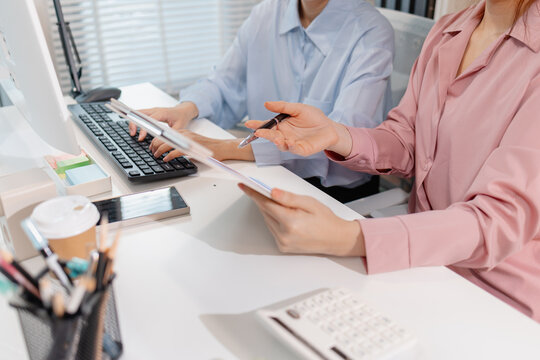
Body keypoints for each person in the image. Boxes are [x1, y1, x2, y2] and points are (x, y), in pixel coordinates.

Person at [239, 0, 540, 322]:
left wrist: (351, 237)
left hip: (496, 297)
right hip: (419, 267)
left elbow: (499, 220)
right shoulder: (448, 31)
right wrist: (336, 134)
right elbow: (408, 138)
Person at [130, 0, 394, 202]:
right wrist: (184, 109)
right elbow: (225, 83)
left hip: (331, 191)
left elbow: (340, 140)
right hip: (263, 174)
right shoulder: (266, 13)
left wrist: (223, 148)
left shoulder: (371, 33)